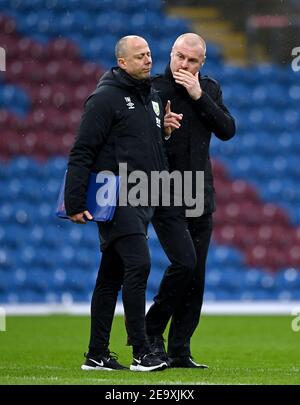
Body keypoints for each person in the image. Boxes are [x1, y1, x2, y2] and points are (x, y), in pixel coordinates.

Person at [64, 35, 195, 372]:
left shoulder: (150, 96)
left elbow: (146, 146)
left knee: (111, 276)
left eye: (150, 54)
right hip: (116, 193)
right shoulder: (105, 98)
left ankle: (96, 354)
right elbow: (82, 150)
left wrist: (163, 132)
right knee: (139, 264)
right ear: (122, 62)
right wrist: (74, 201)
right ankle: (142, 350)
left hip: (145, 194)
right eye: (140, 56)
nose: (148, 60)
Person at [145, 33, 236, 368]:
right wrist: (161, 130)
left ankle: (180, 349)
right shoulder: (152, 89)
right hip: (161, 188)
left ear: (202, 63)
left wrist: (199, 97)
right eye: (180, 57)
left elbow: (228, 129)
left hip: (200, 191)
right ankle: (150, 330)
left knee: (196, 277)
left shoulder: (209, 89)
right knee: (184, 263)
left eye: (192, 61)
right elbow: (132, 140)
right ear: (170, 55)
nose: (184, 65)